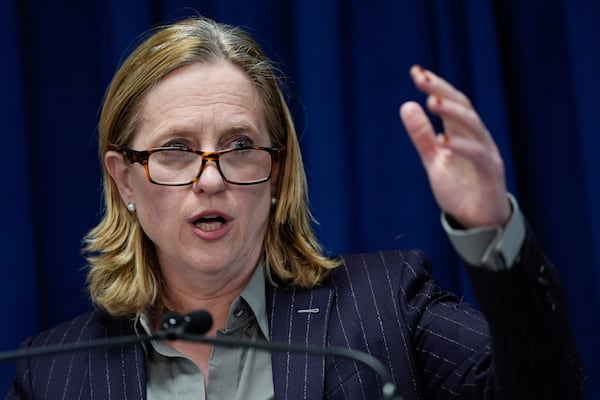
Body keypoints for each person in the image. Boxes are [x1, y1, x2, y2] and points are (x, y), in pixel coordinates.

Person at [5, 16, 584, 400]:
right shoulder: (53, 371)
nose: (211, 179)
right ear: (124, 178)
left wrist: (491, 230)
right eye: (176, 150)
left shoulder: (388, 307)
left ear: (277, 173)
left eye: (238, 145)